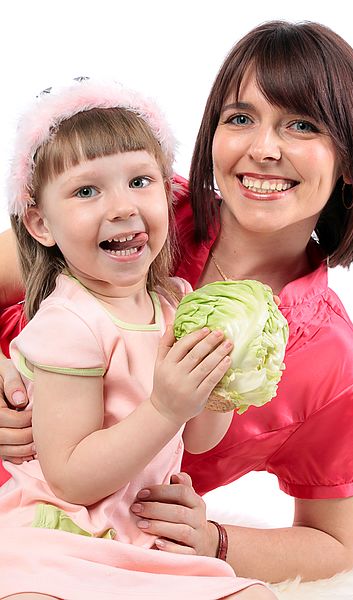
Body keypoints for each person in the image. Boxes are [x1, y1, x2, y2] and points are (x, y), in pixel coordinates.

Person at [0, 20, 353, 584]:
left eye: (302, 125)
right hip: (29, 520)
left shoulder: (336, 365)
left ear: (350, 162)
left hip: (120, 542)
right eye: (240, 118)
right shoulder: (138, 209)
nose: (264, 148)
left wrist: (214, 540)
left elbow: (336, 543)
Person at [0, 78, 274, 600]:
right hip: (65, 536)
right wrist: (167, 407)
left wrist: (220, 380)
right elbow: (72, 479)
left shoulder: (175, 304)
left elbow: (199, 441)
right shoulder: (68, 323)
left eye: (140, 181)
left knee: (256, 595)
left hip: (145, 540)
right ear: (40, 224)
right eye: (86, 190)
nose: (123, 206)